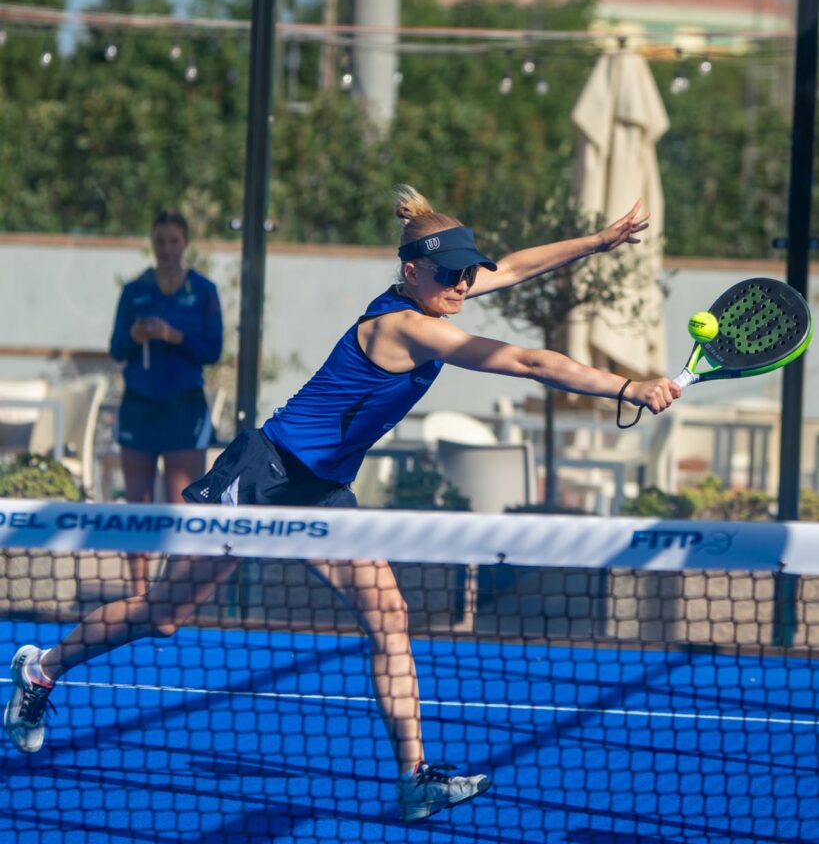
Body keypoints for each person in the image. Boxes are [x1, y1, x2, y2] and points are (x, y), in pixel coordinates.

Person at [3, 186, 679, 822]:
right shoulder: (406, 326)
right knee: (165, 616)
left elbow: (516, 267)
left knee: (388, 614)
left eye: (467, 273)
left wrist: (596, 241)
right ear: (411, 272)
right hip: (264, 477)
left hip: (323, 493)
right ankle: (41, 669)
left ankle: (414, 777)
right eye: (451, 275)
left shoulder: (439, 292)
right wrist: (627, 388)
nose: (464, 284)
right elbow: (527, 362)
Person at [109, 209, 223, 594]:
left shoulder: (203, 291)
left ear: (185, 243)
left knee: (181, 507)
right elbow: (116, 347)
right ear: (152, 243)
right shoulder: (135, 291)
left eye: (174, 241)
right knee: (138, 509)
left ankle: (171, 595)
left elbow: (212, 349)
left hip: (183, 410)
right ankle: (138, 594)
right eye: (160, 241)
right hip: (139, 408)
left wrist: (175, 336)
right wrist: (136, 335)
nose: (167, 249)